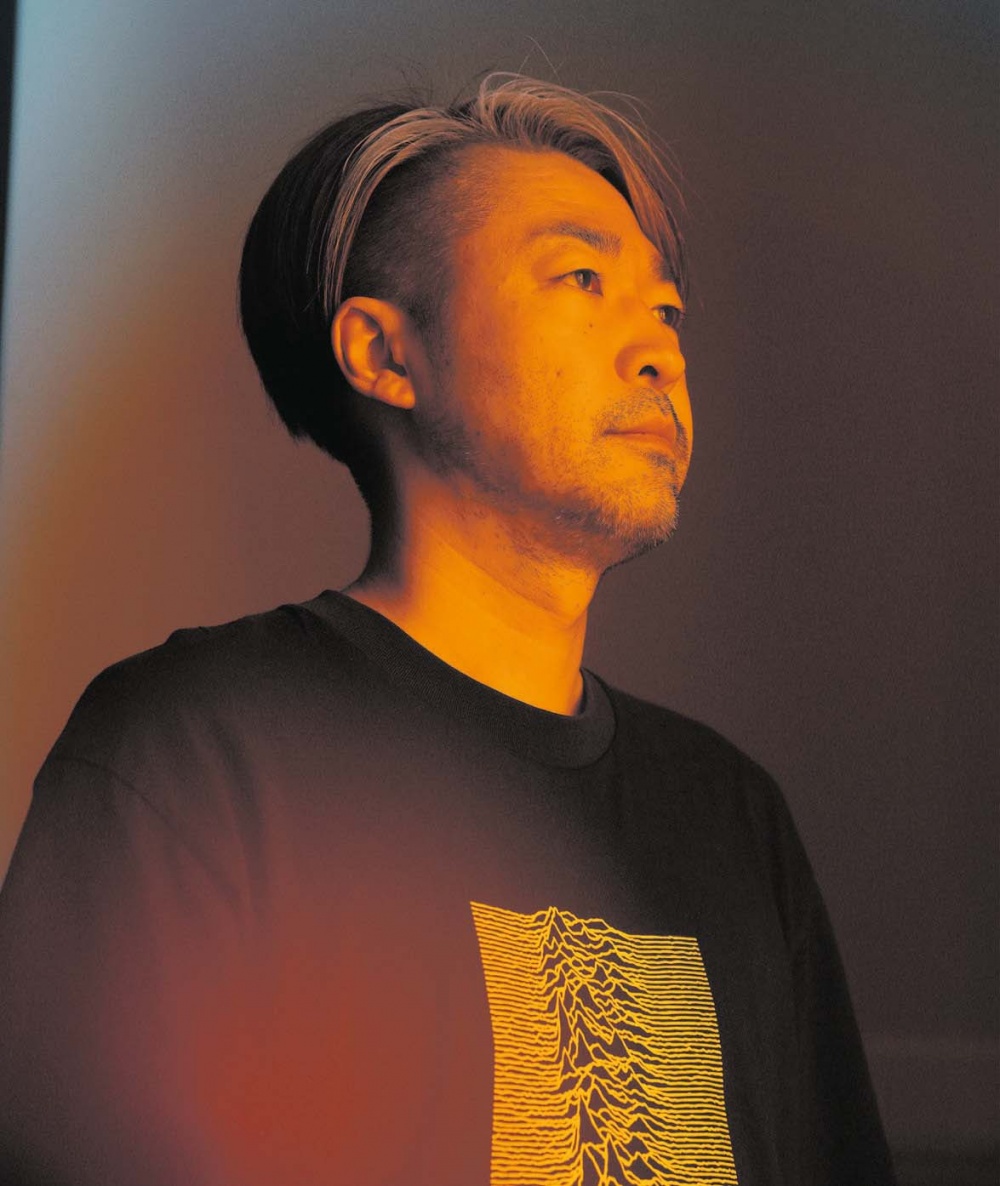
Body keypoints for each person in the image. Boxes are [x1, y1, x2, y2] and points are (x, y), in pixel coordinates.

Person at [0, 74, 895, 1185]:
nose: (661, 351)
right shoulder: (195, 751)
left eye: (665, 310)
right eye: (582, 280)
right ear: (385, 354)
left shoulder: (731, 811)